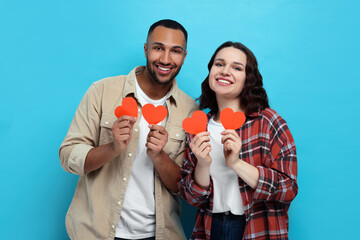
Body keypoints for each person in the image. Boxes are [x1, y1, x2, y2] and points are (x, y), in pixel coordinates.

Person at [59, 19, 197, 240]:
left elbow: (182, 186)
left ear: (184, 56)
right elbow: (67, 156)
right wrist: (112, 148)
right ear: (146, 48)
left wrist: (159, 156)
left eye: (175, 51)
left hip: (160, 234)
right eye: (158, 48)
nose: (165, 59)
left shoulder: (190, 111)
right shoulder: (102, 91)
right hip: (97, 233)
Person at [178, 41, 298, 240]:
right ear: (210, 72)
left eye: (236, 67)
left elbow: (288, 189)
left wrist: (235, 163)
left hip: (256, 228)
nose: (225, 71)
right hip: (211, 228)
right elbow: (191, 198)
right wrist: (202, 165)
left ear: (247, 79)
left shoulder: (268, 122)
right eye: (219, 64)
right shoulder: (198, 127)